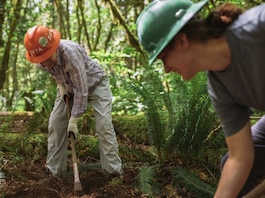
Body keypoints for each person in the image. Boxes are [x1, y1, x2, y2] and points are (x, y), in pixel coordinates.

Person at [136, 0, 265, 197]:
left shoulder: (256, 27)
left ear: (181, 41)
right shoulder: (220, 88)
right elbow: (240, 157)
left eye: (163, 58)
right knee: (230, 166)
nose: (166, 69)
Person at [23, 25, 122, 178]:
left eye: (48, 58)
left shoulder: (70, 55)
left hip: (94, 84)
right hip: (67, 87)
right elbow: (55, 74)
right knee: (55, 123)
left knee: (103, 125)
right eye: (42, 61)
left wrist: (74, 120)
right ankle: (55, 172)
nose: (45, 63)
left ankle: (113, 172)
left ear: (54, 47)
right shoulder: (41, 60)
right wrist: (61, 87)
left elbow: (82, 92)